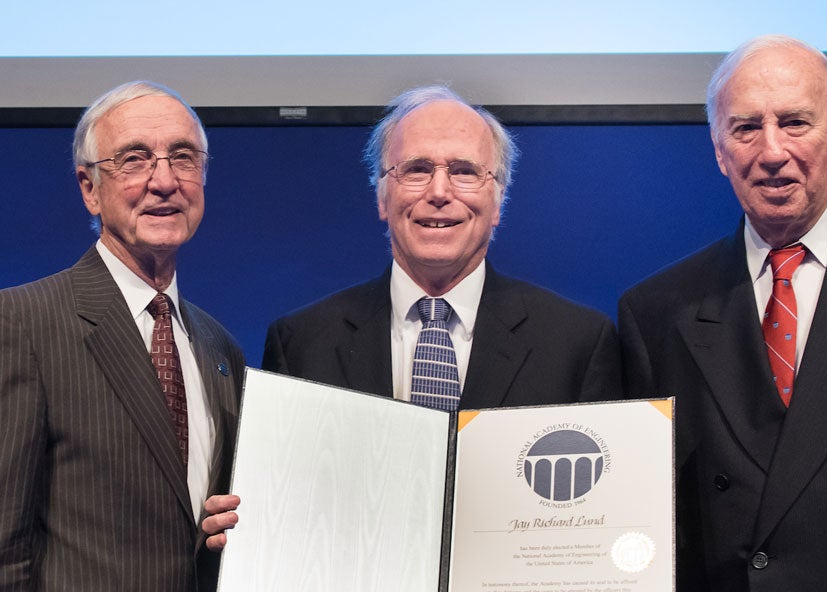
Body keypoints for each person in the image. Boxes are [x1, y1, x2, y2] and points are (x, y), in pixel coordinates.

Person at [202, 84, 621, 548]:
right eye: (416, 170)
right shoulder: (301, 341)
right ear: (382, 197)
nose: (439, 192)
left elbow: (598, 518)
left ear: (498, 201)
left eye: (464, 171)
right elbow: (285, 506)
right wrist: (249, 523)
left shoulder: (578, 343)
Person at [618, 35, 827, 590]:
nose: (772, 151)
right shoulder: (658, 311)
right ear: (718, 150)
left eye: (795, 122)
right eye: (745, 128)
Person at [0, 81, 244, 592]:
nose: (164, 181)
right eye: (134, 159)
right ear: (90, 188)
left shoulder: (220, 349)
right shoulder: (21, 322)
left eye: (183, 158)